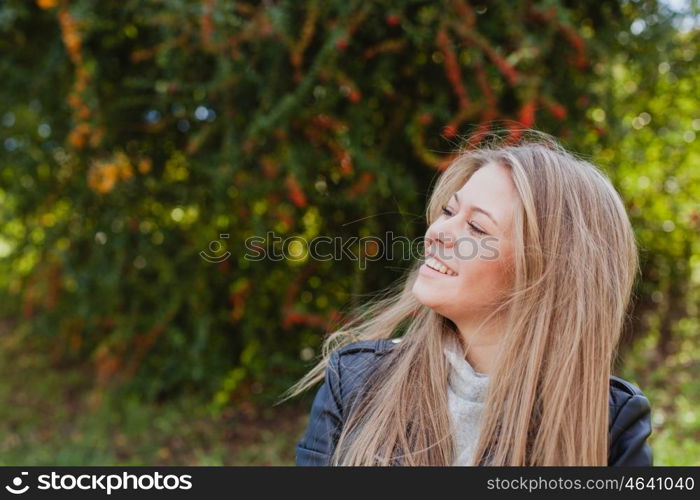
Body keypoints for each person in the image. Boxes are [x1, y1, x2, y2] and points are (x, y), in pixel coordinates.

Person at [282, 130, 653, 466]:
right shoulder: (355, 379)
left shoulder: (610, 423)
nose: (438, 232)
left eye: (476, 227)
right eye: (448, 211)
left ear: (545, 272)